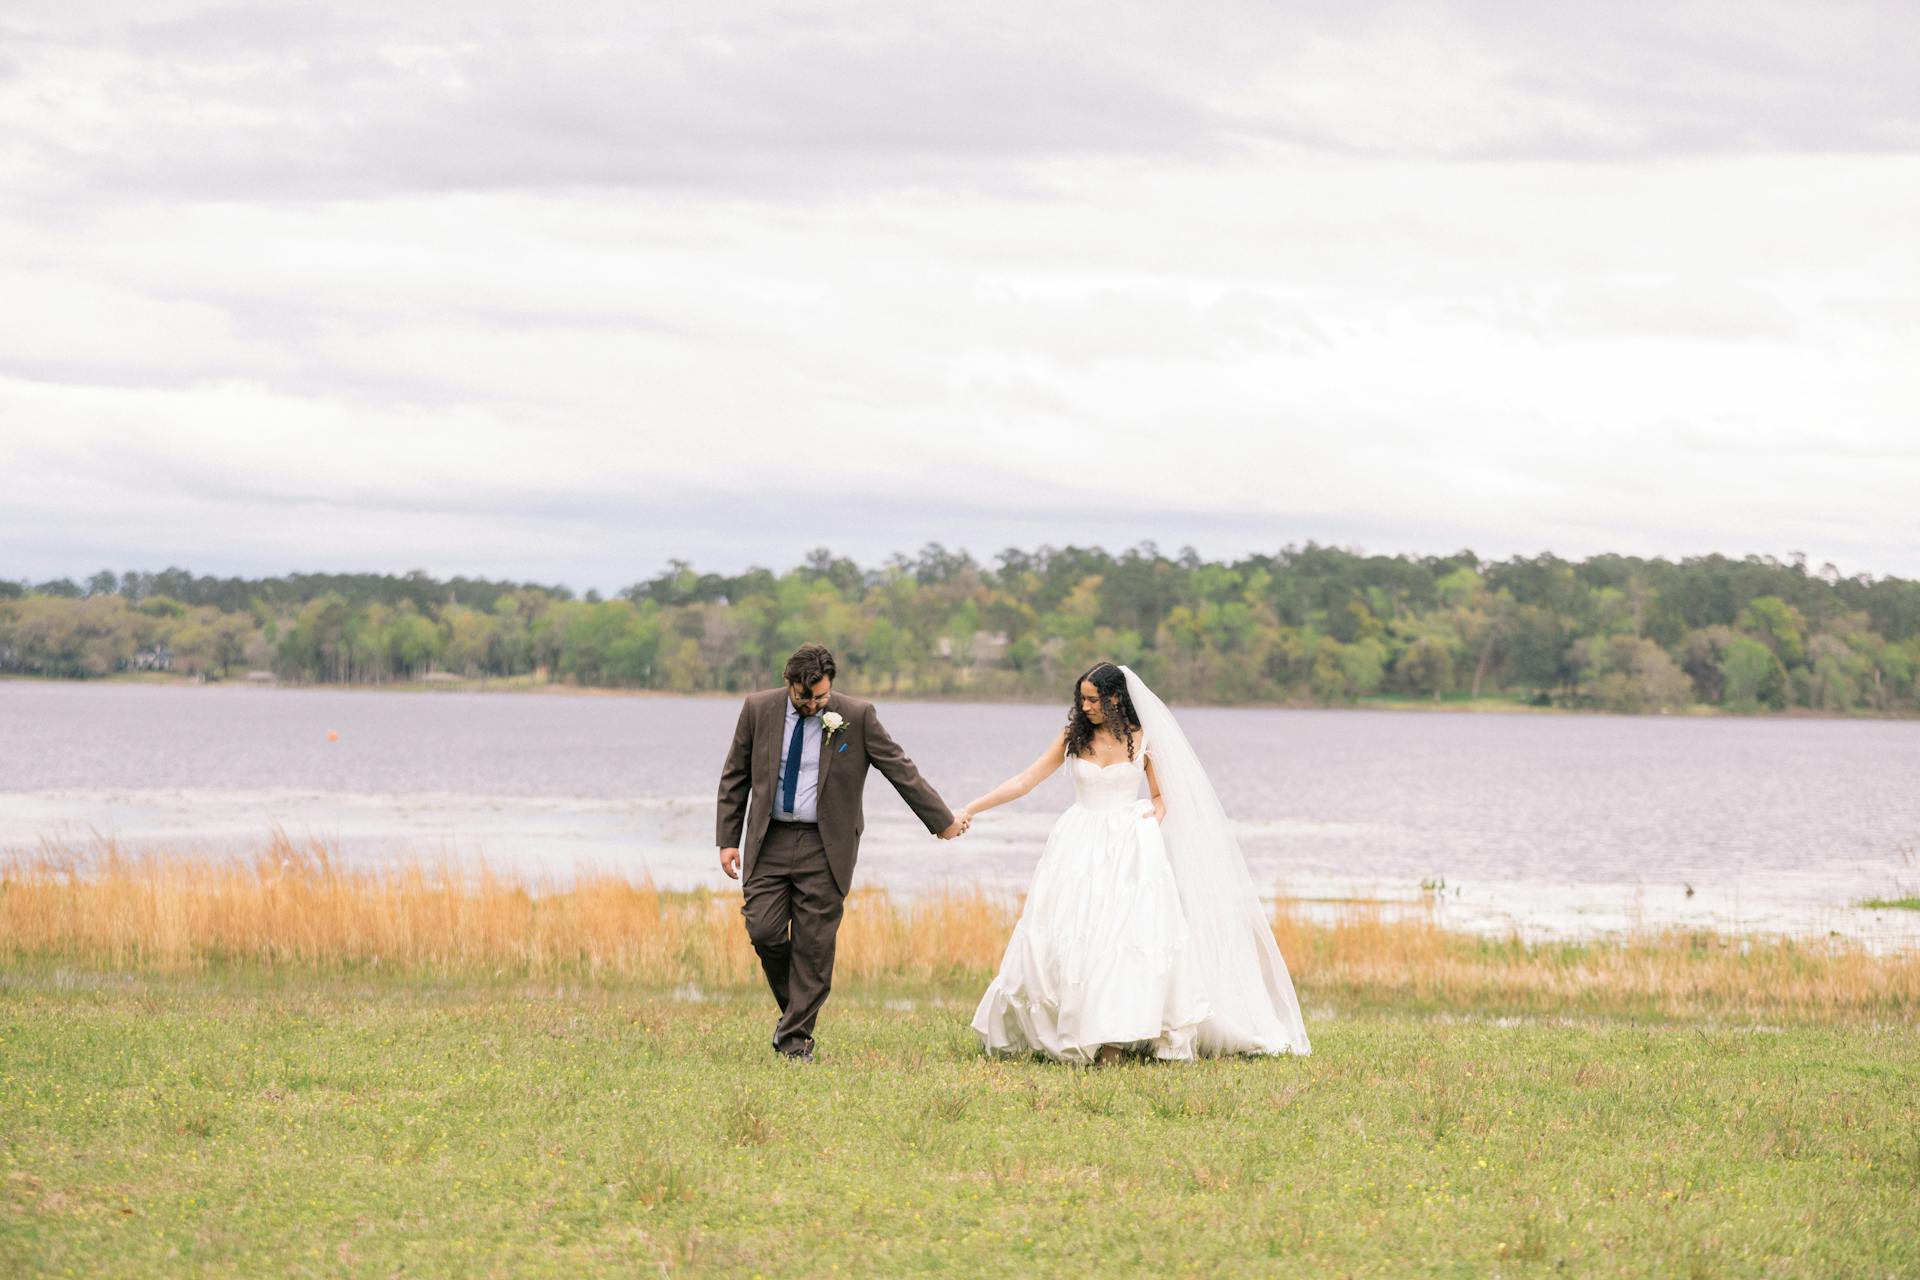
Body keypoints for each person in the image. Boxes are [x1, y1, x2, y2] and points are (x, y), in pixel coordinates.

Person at [962, 661, 1311, 1065]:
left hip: (1129, 848)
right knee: (1069, 935)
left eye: (1093, 699)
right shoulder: (1072, 737)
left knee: (1121, 943)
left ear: (1115, 698)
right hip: (1077, 846)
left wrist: (1153, 818)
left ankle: (1112, 1040)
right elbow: (1024, 781)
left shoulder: (1143, 740)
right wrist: (972, 807)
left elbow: (1163, 796)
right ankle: (1065, 1029)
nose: (1085, 706)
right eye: (1082, 698)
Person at [716, 642, 969, 1061]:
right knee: (764, 931)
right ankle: (795, 1015)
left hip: (826, 845)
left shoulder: (857, 716)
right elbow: (735, 775)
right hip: (769, 839)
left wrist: (941, 821)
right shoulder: (757, 709)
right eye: (805, 697)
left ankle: (794, 1041)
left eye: (821, 697)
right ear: (788, 683)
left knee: (814, 946)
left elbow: (899, 768)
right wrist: (728, 838)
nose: (814, 704)